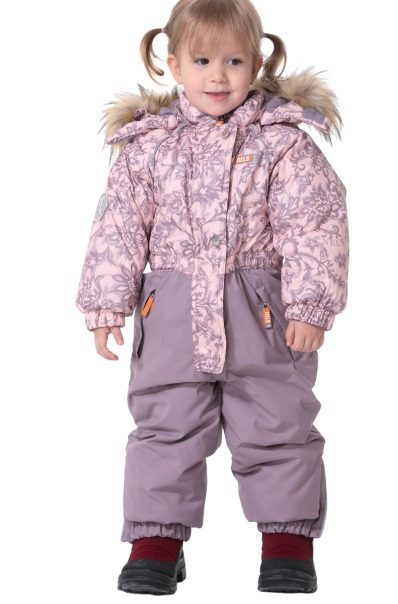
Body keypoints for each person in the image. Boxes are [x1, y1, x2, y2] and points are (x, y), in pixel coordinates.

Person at [75, 0, 349, 595]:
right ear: (173, 64)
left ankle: (287, 543)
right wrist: (105, 305)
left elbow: (315, 225)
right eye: (202, 61)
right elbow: (118, 227)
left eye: (233, 61)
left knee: (278, 422)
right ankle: (155, 542)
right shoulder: (148, 148)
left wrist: (310, 306)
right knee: (165, 425)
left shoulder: (283, 145)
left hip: (264, 314)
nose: (218, 76)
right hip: (171, 314)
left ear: (257, 64)